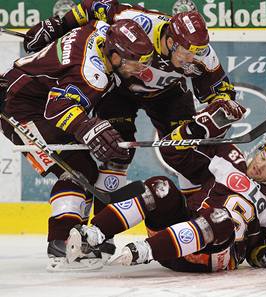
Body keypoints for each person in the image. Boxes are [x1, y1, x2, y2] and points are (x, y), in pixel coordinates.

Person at [23, 0, 237, 195]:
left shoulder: (201, 55)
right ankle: (103, 231)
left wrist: (224, 104)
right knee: (117, 150)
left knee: (185, 151)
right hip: (119, 89)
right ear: (170, 41)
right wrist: (59, 25)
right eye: (186, 52)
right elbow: (96, 6)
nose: (192, 58)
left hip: (168, 94)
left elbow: (221, 91)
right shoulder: (137, 22)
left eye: (198, 52)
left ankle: (191, 217)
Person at [65, 100, 266, 272]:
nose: (261, 165)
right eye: (262, 156)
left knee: (219, 217)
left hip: (213, 255)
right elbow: (171, 150)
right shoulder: (228, 156)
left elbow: (255, 255)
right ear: (258, 150)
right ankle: (94, 234)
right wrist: (208, 122)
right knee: (161, 188)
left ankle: (144, 251)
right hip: (174, 239)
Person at [0, 18, 154, 271]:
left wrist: (58, 24)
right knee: (77, 169)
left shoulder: (101, 30)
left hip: (27, 93)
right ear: (114, 56)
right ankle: (62, 240)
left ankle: (77, 236)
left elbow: (97, 10)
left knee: (83, 168)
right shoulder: (91, 75)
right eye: (133, 63)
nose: (138, 70)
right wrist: (86, 128)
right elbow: (56, 109)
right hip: (21, 110)